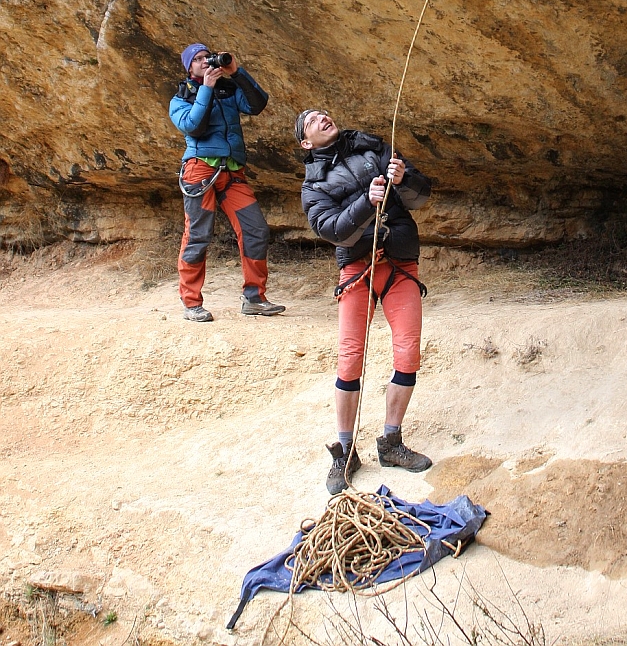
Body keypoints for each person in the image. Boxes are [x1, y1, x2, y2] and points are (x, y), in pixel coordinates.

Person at [296, 108, 433, 494]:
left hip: (400, 263)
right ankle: (346, 450)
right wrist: (365, 202)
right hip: (358, 270)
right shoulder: (313, 184)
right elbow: (332, 230)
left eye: (324, 114)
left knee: (408, 353)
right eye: (312, 121)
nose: (323, 118)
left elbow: (422, 195)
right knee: (349, 357)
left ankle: (391, 442)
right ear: (306, 143)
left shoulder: (373, 147)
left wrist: (404, 180)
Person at [169, 44, 285, 323]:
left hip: (231, 171)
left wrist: (237, 73)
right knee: (198, 235)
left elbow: (257, 104)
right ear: (189, 68)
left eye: (206, 57)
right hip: (200, 171)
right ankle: (191, 302)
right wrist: (206, 88)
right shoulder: (180, 98)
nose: (203, 62)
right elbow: (194, 126)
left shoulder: (228, 90)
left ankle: (254, 297)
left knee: (255, 229)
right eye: (196, 60)